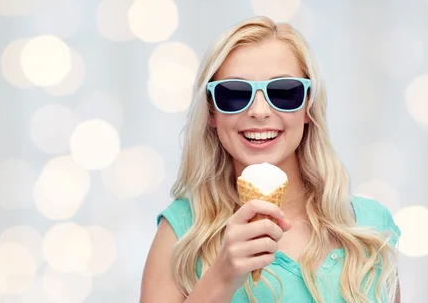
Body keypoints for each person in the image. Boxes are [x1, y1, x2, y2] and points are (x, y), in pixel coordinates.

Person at [140, 16, 402, 303]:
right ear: (212, 113)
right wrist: (222, 276)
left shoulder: (370, 228)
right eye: (234, 94)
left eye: (284, 92)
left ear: (307, 107)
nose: (259, 111)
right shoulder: (182, 232)